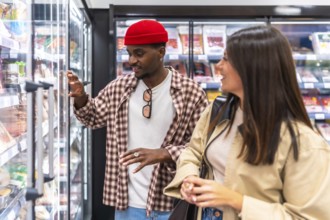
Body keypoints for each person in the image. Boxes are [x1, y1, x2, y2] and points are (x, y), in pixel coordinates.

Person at [164, 25, 330, 220]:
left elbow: (309, 217)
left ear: (253, 67)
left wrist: (237, 201)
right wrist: (189, 177)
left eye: (226, 59)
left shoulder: (304, 143)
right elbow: (193, 151)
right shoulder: (218, 111)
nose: (218, 66)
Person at [67, 19, 208, 219]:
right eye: (129, 53)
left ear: (160, 52)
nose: (132, 60)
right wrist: (81, 98)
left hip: (171, 200)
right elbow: (92, 118)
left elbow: (201, 148)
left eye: (139, 53)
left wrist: (165, 153)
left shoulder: (190, 93)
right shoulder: (118, 87)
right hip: (127, 203)